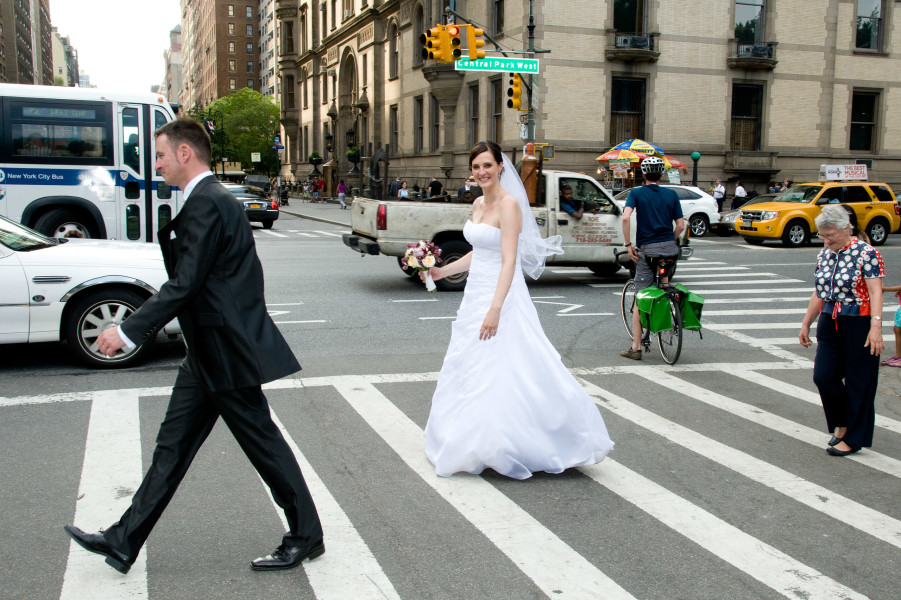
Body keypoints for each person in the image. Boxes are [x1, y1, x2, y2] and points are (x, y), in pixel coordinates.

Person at [64, 117, 324, 574]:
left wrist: (127, 330)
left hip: (223, 351)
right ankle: (123, 540)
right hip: (208, 350)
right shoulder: (210, 200)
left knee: (264, 446)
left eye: (161, 155)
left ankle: (306, 535)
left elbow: (185, 284)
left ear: (185, 153)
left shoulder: (208, 202)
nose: (158, 164)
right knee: (172, 447)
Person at [419, 140, 613, 479]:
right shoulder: (478, 203)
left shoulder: (509, 206)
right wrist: (441, 271)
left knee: (510, 365)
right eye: (476, 166)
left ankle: (526, 440)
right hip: (475, 294)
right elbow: (478, 251)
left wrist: (495, 309)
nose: (481, 172)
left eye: (487, 166)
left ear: (500, 168)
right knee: (472, 365)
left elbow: (509, 259)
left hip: (501, 295)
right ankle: (475, 439)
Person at [798, 205, 884, 457]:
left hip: (859, 321)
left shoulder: (867, 253)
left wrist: (875, 328)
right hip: (829, 318)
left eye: (830, 235)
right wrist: (806, 322)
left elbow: (876, 291)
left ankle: (855, 437)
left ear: (846, 229)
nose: (826, 240)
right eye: (822, 236)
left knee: (859, 381)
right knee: (823, 375)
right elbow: (819, 291)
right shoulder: (825, 254)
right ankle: (843, 422)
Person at [620, 156, 685, 360]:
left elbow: (625, 217)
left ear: (644, 174)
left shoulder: (636, 193)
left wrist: (628, 244)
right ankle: (668, 318)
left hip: (648, 250)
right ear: (662, 174)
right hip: (670, 249)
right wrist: (670, 240)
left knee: (641, 296)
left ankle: (636, 347)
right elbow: (681, 226)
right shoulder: (672, 194)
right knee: (664, 287)